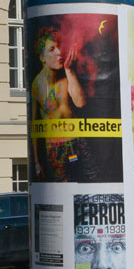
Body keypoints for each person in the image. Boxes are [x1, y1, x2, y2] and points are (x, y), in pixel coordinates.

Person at [32, 27, 86, 181]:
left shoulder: (66, 76)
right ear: (42, 57)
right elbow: (34, 125)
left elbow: (80, 102)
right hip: (55, 148)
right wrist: (36, 161)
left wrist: (70, 70)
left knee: (85, 182)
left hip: (76, 143)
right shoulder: (37, 85)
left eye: (59, 47)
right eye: (52, 49)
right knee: (64, 185)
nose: (59, 52)